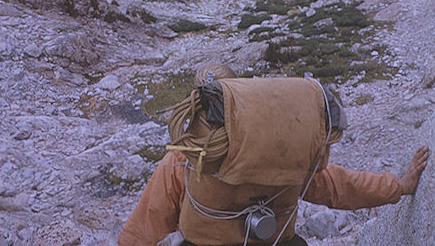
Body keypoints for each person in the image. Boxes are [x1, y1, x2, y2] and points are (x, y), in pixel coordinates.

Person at [118, 64, 429, 246]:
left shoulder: (184, 158)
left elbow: (149, 221)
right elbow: (338, 187)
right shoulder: (287, 152)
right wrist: (398, 186)